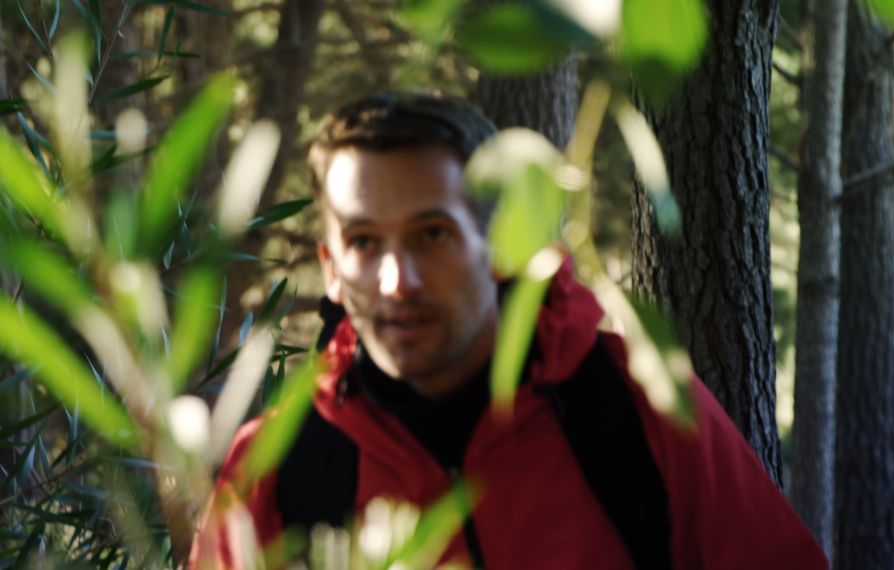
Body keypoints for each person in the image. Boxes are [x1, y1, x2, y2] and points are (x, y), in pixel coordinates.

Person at [190, 92, 827, 569]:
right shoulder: (276, 467)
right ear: (331, 270)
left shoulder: (638, 406)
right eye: (363, 242)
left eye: (431, 234)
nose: (395, 281)